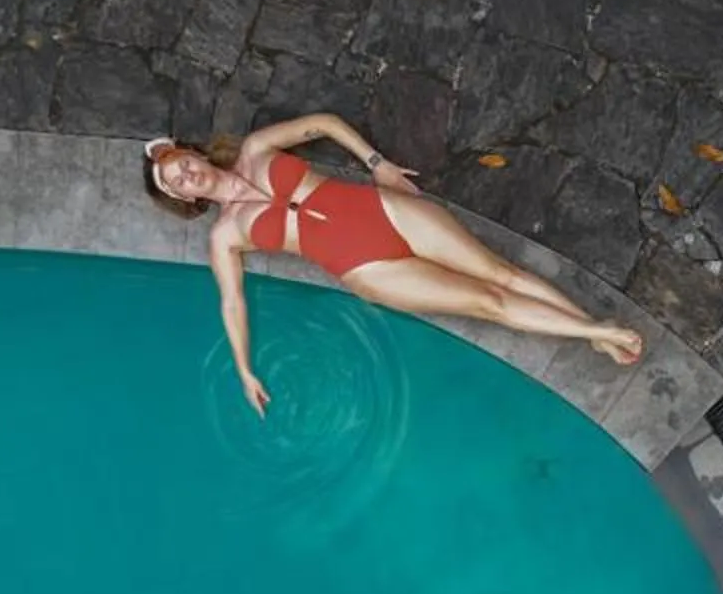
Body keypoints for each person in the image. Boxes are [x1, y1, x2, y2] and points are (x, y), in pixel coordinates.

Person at [142, 113, 645, 416]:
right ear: (184, 199)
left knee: (501, 273)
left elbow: (322, 123)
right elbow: (231, 302)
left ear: (192, 153)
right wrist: (244, 369)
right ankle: (594, 330)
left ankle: (594, 331)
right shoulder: (225, 235)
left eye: (181, 165)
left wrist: (376, 163)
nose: (186, 176)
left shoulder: (255, 148)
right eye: (176, 183)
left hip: (381, 210)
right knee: (488, 301)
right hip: (367, 268)